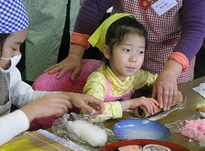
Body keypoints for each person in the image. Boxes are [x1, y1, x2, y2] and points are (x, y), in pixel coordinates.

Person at [0, 0, 104, 151]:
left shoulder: (3, 68)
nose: (18, 54)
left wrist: (68, 97)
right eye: (14, 47)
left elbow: (27, 96)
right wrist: (32, 111)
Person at [46, 0, 205, 111]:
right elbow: (93, 7)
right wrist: (75, 54)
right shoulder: (98, 81)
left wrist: (170, 73)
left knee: (169, 113)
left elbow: (195, 28)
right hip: (121, 51)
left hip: (171, 56)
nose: (135, 61)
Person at [82, 13, 159, 120]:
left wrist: (165, 84)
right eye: (127, 50)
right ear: (108, 51)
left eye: (141, 52)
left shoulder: (135, 75)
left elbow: (156, 81)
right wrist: (130, 103)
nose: (134, 58)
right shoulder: (98, 81)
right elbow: (90, 113)